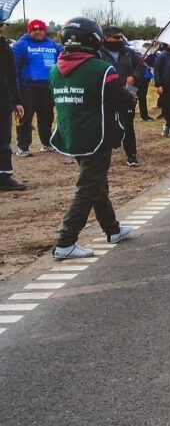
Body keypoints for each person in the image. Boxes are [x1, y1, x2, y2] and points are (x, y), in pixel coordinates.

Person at [49, 17, 134, 259]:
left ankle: (112, 229)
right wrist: (130, 95)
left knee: (97, 183)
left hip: (71, 135)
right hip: (97, 135)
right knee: (88, 187)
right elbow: (120, 99)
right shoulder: (101, 68)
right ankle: (66, 242)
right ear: (93, 39)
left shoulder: (55, 69)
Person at [99, 26, 146, 167]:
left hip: (127, 91)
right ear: (106, 38)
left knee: (128, 124)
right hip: (107, 93)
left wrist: (134, 76)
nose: (120, 40)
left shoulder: (129, 53)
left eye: (121, 37)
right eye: (116, 37)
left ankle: (131, 154)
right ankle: (104, 153)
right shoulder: (99, 53)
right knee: (106, 123)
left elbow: (142, 67)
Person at [12, 18, 59, 156]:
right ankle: (23, 147)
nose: (38, 32)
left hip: (47, 87)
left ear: (45, 31)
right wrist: (16, 89)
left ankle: (47, 143)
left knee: (47, 116)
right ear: (29, 31)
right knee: (26, 117)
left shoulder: (52, 45)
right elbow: (13, 68)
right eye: (34, 30)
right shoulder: (21, 45)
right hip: (27, 87)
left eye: (40, 29)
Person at [0, 16, 26, 191]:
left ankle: (4, 176)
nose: (1, 28)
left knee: (3, 139)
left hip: (3, 101)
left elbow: (11, 76)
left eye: (1, 25)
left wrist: (17, 101)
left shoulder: (5, 47)